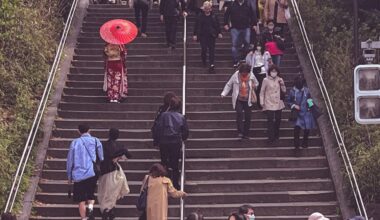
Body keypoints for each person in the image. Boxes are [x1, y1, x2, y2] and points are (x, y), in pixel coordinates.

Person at [66, 124, 104, 220]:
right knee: (91, 195)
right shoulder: (96, 141)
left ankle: (83, 218)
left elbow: (70, 161)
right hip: (92, 172)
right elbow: (101, 157)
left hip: (78, 174)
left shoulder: (74, 143)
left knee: (81, 199)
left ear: (78, 131)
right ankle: (90, 211)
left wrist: (69, 176)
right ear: (89, 130)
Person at [152, 96, 189, 189]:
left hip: (164, 141)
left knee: (164, 162)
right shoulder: (181, 117)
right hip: (175, 141)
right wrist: (183, 138)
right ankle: (175, 183)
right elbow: (185, 131)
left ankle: (165, 181)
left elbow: (158, 128)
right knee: (175, 163)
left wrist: (156, 141)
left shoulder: (163, 115)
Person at [98, 128, 132, 220]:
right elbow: (129, 155)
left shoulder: (102, 144)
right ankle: (110, 208)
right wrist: (119, 157)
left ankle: (106, 209)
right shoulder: (120, 145)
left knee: (104, 191)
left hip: (104, 170)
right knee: (113, 191)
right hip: (114, 170)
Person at [221, 63, 259, 139]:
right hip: (238, 98)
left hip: (248, 99)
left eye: (246, 72)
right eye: (243, 72)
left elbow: (257, 83)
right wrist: (224, 93)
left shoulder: (251, 75)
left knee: (248, 116)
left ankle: (246, 133)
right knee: (239, 114)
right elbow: (229, 84)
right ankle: (240, 132)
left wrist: (254, 86)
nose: (244, 74)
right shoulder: (236, 75)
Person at [224, 0, 258, 67]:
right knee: (235, 44)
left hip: (246, 27)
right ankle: (236, 61)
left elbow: (253, 14)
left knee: (247, 42)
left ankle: (243, 57)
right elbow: (226, 14)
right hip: (235, 28)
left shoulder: (248, 4)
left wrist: (254, 24)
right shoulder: (232, 4)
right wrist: (225, 24)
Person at [287, 75, 316, 149]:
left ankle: (305, 142)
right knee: (297, 128)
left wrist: (311, 107)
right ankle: (296, 144)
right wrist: (293, 105)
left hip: (306, 112)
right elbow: (288, 101)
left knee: (307, 129)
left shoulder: (307, 90)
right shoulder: (292, 91)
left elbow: (309, 99)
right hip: (297, 112)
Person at [193, 1, 223, 72]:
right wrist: (195, 34)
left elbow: (217, 25)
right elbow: (196, 26)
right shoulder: (200, 16)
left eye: (208, 8)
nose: (207, 10)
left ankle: (211, 63)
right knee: (204, 49)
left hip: (211, 35)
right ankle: (204, 61)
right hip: (202, 35)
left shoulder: (214, 16)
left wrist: (219, 32)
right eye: (205, 8)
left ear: (210, 9)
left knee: (211, 50)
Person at [260, 65, 286, 144]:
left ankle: (276, 134)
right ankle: (271, 137)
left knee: (278, 119)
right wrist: (262, 102)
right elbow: (262, 91)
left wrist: (282, 84)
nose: (273, 73)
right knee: (270, 120)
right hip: (269, 102)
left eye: (275, 71)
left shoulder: (280, 79)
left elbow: (284, 91)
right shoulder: (266, 80)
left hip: (278, 102)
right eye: (272, 71)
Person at [245, 43, 272, 107]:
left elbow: (270, 62)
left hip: (263, 71)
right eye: (257, 46)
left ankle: (261, 103)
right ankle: (257, 101)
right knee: (256, 87)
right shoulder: (253, 53)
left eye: (259, 46)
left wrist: (270, 66)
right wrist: (249, 55)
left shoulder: (266, 53)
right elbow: (248, 62)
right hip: (255, 70)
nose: (258, 47)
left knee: (261, 87)